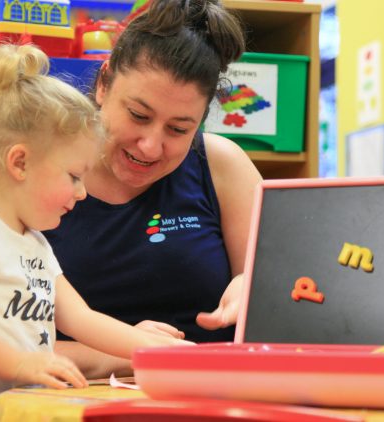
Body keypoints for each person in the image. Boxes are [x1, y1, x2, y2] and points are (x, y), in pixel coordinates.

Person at [0, 44, 190, 422]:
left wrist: (162, 353)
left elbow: (82, 319)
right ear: (19, 162)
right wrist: (18, 364)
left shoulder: (34, 243)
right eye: (73, 176)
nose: (82, 192)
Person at [44, 0, 263, 378]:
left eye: (178, 129)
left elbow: (287, 293)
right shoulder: (41, 173)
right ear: (103, 83)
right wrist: (132, 350)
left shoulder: (223, 166)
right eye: (138, 116)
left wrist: (253, 289)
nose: (150, 146)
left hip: (212, 398)